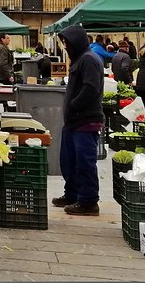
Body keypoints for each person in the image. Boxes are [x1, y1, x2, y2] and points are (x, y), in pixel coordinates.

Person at [52, 24, 104, 216]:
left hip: (85, 120)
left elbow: (90, 88)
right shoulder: (80, 59)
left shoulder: (89, 60)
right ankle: (73, 194)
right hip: (74, 121)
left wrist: (74, 104)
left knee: (84, 161)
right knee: (69, 160)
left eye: (67, 43)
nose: (65, 46)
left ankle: (89, 201)